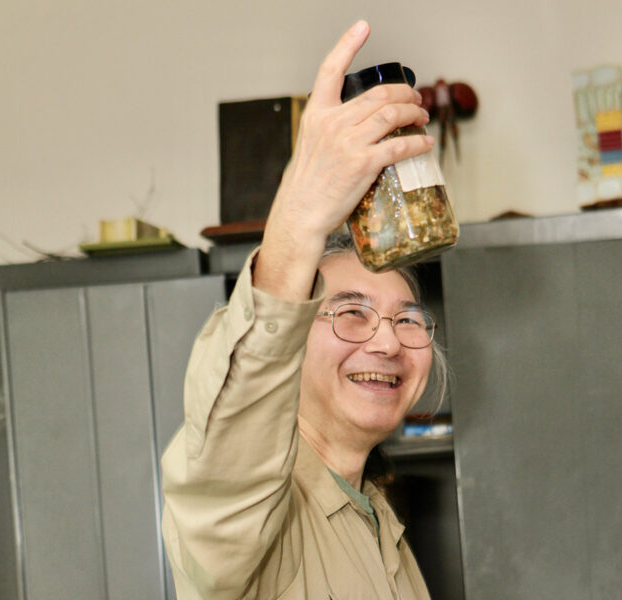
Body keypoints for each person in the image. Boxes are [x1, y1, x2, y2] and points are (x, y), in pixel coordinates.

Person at [161, 20, 443, 599]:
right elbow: (233, 448)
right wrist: (300, 216)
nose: (388, 343)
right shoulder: (253, 521)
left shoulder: (382, 529)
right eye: (351, 313)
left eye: (408, 318)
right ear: (291, 341)